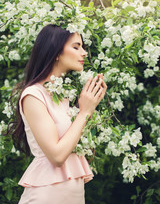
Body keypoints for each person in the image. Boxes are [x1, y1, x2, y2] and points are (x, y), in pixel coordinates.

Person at [11, 24, 107, 204]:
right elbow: (57, 156)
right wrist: (85, 111)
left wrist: (91, 102)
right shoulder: (33, 95)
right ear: (55, 52)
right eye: (76, 47)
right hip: (46, 197)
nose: (84, 53)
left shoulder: (65, 95)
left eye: (83, 47)